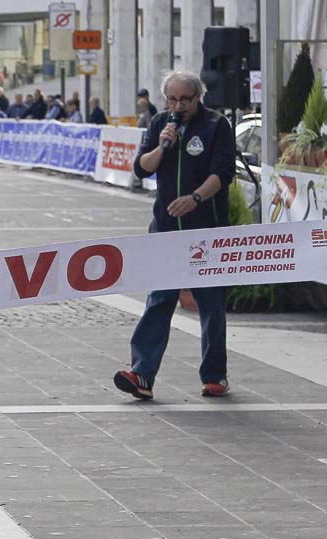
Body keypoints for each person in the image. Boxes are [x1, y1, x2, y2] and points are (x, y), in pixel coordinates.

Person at [114, 70, 236, 401]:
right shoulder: (159, 124)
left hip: (204, 230)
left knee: (210, 305)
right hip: (166, 231)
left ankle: (214, 376)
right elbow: (142, 168)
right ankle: (142, 374)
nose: (178, 105)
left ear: (199, 98)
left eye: (185, 99)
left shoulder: (216, 125)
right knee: (159, 300)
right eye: (172, 99)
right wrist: (163, 146)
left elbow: (222, 173)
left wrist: (195, 198)